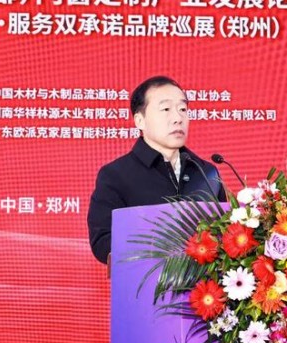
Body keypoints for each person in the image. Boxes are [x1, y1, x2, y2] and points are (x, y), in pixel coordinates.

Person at [87, 76, 226, 265]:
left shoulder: (207, 173)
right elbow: (102, 242)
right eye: (166, 109)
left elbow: (225, 232)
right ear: (140, 120)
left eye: (183, 109)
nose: (178, 118)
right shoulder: (115, 175)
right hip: (143, 281)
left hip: (204, 284)